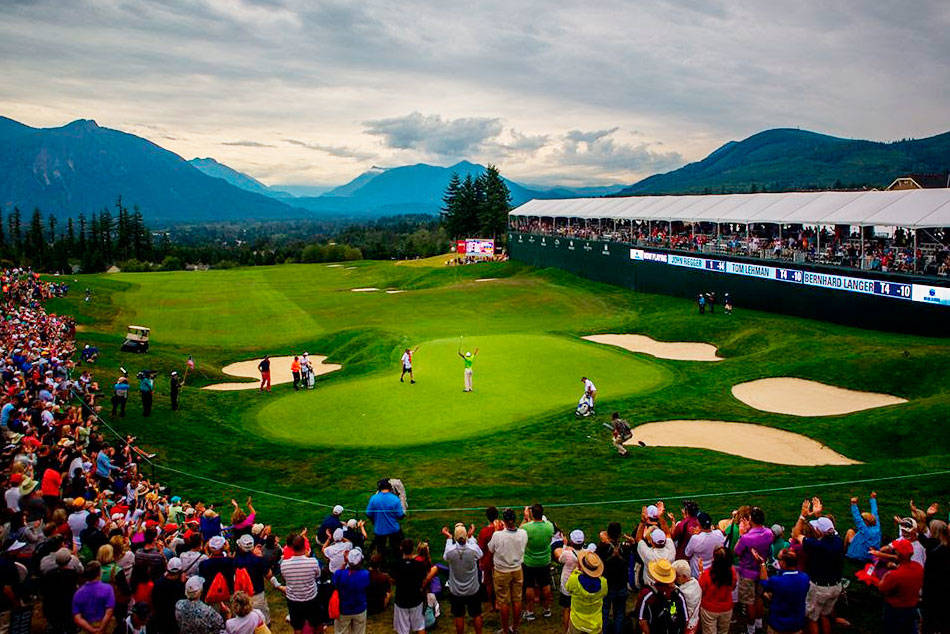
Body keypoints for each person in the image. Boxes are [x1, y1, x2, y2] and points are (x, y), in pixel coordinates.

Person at [794, 514, 843, 634]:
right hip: (836, 586)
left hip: (820, 587)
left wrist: (802, 516)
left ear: (820, 531)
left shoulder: (816, 545)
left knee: (812, 618)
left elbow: (796, 534)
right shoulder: (838, 541)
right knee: (824, 615)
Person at [870, 538, 924, 634]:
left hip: (895, 609)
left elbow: (882, 588)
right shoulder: (918, 567)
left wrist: (884, 576)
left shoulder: (894, 575)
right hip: (912, 607)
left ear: (897, 554)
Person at [488, 508, 528, 634]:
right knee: (517, 599)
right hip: (517, 569)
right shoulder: (523, 533)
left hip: (502, 571)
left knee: (503, 601)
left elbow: (490, 549)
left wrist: (496, 531)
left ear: (504, 521)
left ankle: (506, 630)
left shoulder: (498, 535)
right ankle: (514, 628)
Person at [734, 506, 772, 634]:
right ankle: (759, 624)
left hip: (747, 573)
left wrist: (741, 535)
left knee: (749, 602)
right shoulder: (769, 533)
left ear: (751, 520)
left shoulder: (746, 538)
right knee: (759, 598)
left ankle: (751, 630)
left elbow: (736, 551)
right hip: (761, 572)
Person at [755, 548, 810, 634]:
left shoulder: (777, 581)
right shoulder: (805, 577)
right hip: (797, 624)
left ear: (783, 562)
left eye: (779, 559)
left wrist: (762, 564)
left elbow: (764, 582)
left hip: (778, 624)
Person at [278, 533, 323, 634]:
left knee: (297, 627)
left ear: (292, 548)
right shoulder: (313, 562)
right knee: (317, 623)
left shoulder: (284, 564)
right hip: (311, 598)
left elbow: (284, 579)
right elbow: (317, 575)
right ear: (304, 546)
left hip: (294, 600)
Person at [442, 523, 483, 634]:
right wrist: (471, 537)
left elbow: (445, 556)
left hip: (457, 590)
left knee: (459, 615)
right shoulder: (473, 549)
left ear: (455, 538)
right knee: (476, 614)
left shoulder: (450, 551)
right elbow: (480, 554)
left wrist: (449, 538)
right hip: (472, 589)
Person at [596, 522, 631, 634]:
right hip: (621, 585)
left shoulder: (602, 548)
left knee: (605, 612)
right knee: (619, 613)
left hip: (607, 585)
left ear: (608, 534)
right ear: (620, 534)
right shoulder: (626, 547)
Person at [521, 503, 554, 621]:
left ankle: (530, 611)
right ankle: (547, 609)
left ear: (532, 514)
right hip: (544, 561)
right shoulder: (549, 526)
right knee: (546, 584)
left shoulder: (526, 528)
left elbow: (520, 532)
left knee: (529, 586)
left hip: (529, 562)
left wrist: (525, 518)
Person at [638, 559, 688, 634]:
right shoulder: (678, 595)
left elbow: (642, 621)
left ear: (655, 576)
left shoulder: (647, 594)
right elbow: (685, 620)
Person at [392, 539, 430, 634]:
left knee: (403, 630)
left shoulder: (396, 565)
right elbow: (424, 580)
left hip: (401, 601)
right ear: (413, 549)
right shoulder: (420, 565)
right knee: (420, 626)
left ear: (401, 548)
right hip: (416, 599)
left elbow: (392, 581)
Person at [565, 550, 607, 634]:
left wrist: (576, 571)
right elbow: (604, 594)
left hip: (577, 623)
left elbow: (568, 588)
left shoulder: (574, 580)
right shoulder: (603, 582)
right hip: (595, 624)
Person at [698, 547, 737, 634]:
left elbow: (701, 589)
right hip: (726, 608)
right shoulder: (732, 572)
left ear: (714, 559)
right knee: (723, 632)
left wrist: (701, 571)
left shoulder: (707, 574)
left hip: (709, 609)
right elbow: (733, 587)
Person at [333, 548, 370, 634]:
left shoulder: (339, 574)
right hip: (359, 609)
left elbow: (335, 581)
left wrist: (345, 562)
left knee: (341, 631)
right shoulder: (366, 574)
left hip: (343, 610)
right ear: (361, 561)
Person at [72, 561, 116, 634]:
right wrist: (101, 629)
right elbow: (109, 612)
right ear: (99, 573)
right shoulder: (108, 589)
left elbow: (77, 617)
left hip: (87, 627)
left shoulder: (78, 593)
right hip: (105, 627)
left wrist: (91, 629)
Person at [554, 529, 584, 631]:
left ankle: (567, 630)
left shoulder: (567, 553)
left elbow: (560, 559)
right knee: (577, 608)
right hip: (579, 583)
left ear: (572, 541)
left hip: (567, 584)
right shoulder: (585, 553)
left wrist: (564, 546)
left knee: (567, 609)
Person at [685, 512, 724, 579]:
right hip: (713, 571)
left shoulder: (695, 538)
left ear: (699, 524)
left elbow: (687, 553)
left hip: (697, 573)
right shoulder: (719, 534)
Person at [845, 492, 880, 562]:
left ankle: (844, 551)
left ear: (866, 521)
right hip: (871, 555)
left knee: (850, 532)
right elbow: (875, 513)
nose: (861, 520)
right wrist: (873, 499)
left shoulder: (865, 530)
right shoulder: (877, 526)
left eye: (863, 519)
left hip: (858, 556)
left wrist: (853, 504)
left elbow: (857, 518)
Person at [672, 560, 701, 634]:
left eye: (676, 576)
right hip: (694, 621)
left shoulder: (684, 593)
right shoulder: (696, 582)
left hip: (686, 626)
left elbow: (674, 610)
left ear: (684, 576)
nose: (674, 578)